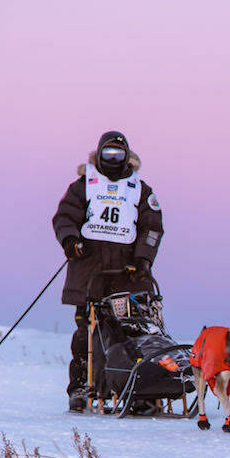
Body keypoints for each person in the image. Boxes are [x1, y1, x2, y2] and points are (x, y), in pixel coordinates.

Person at [52, 131, 164, 410]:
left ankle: (139, 391)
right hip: (88, 269)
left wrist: (143, 261)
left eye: (118, 155)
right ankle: (80, 388)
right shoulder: (83, 185)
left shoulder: (140, 190)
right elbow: (65, 216)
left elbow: (151, 227)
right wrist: (70, 240)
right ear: (99, 155)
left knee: (133, 330)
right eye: (108, 155)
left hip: (128, 272)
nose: (112, 160)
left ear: (127, 158)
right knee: (84, 333)